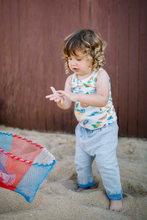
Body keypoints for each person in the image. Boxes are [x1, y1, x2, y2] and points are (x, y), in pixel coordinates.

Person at [46, 29, 123, 212]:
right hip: (84, 129)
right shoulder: (71, 80)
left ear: (93, 57)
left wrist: (76, 96)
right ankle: (86, 184)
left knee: (106, 164)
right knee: (81, 162)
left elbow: (102, 99)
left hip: (105, 129)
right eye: (70, 58)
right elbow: (67, 104)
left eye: (78, 59)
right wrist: (61, 100)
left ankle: (115, 196)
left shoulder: (100, 75)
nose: (73, 63)